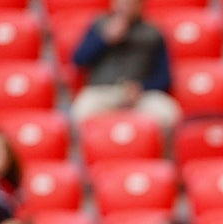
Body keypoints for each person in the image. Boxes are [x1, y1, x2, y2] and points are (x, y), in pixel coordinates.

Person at [70, 0, 181, 132]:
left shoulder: (153, 32)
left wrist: (142, 87)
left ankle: (157, 152)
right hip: (102, 91)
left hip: (141, 94)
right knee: (79, 112)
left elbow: (164, 77)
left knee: (168, 113)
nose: (124, 6)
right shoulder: (99, 26)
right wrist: (103, 40)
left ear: (140, 6)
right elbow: (79, 60)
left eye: (130, 2)